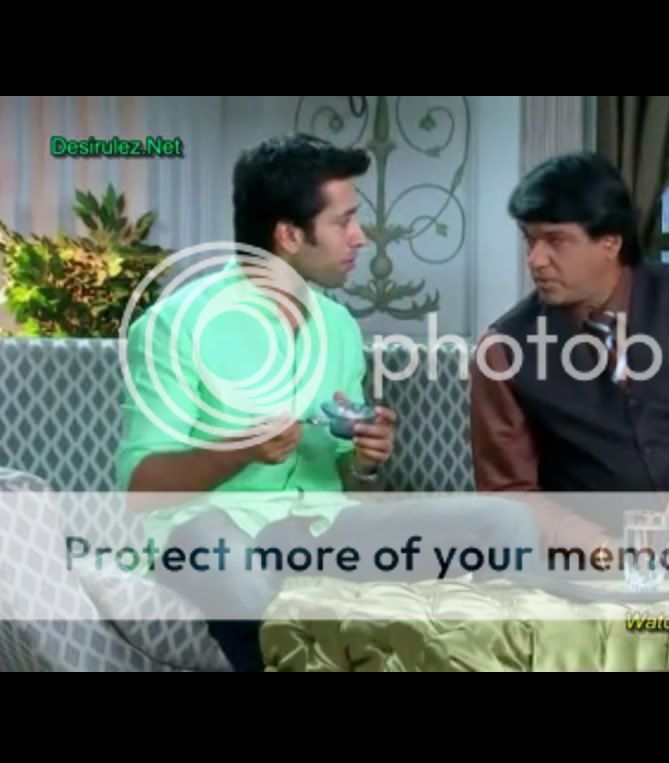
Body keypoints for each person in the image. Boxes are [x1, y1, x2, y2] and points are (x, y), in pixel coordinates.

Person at [117, 133, 539, 671]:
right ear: (290, 235)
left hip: (323, 531)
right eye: (344, 222)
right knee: (217, 549)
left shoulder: (337, 326)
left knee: (504, 523)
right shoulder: (175, 325)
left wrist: (363, 458)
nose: (360, 237)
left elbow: (343, 477)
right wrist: (239, 450)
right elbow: (142, 489)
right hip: (211, 533)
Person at [469, 151, 669, 556]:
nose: (535, 260)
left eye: (555, 241)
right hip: (592, 559)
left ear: (610, 242)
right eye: (529, 239)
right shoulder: (502, 350)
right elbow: (510, 492)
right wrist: (608, 549)